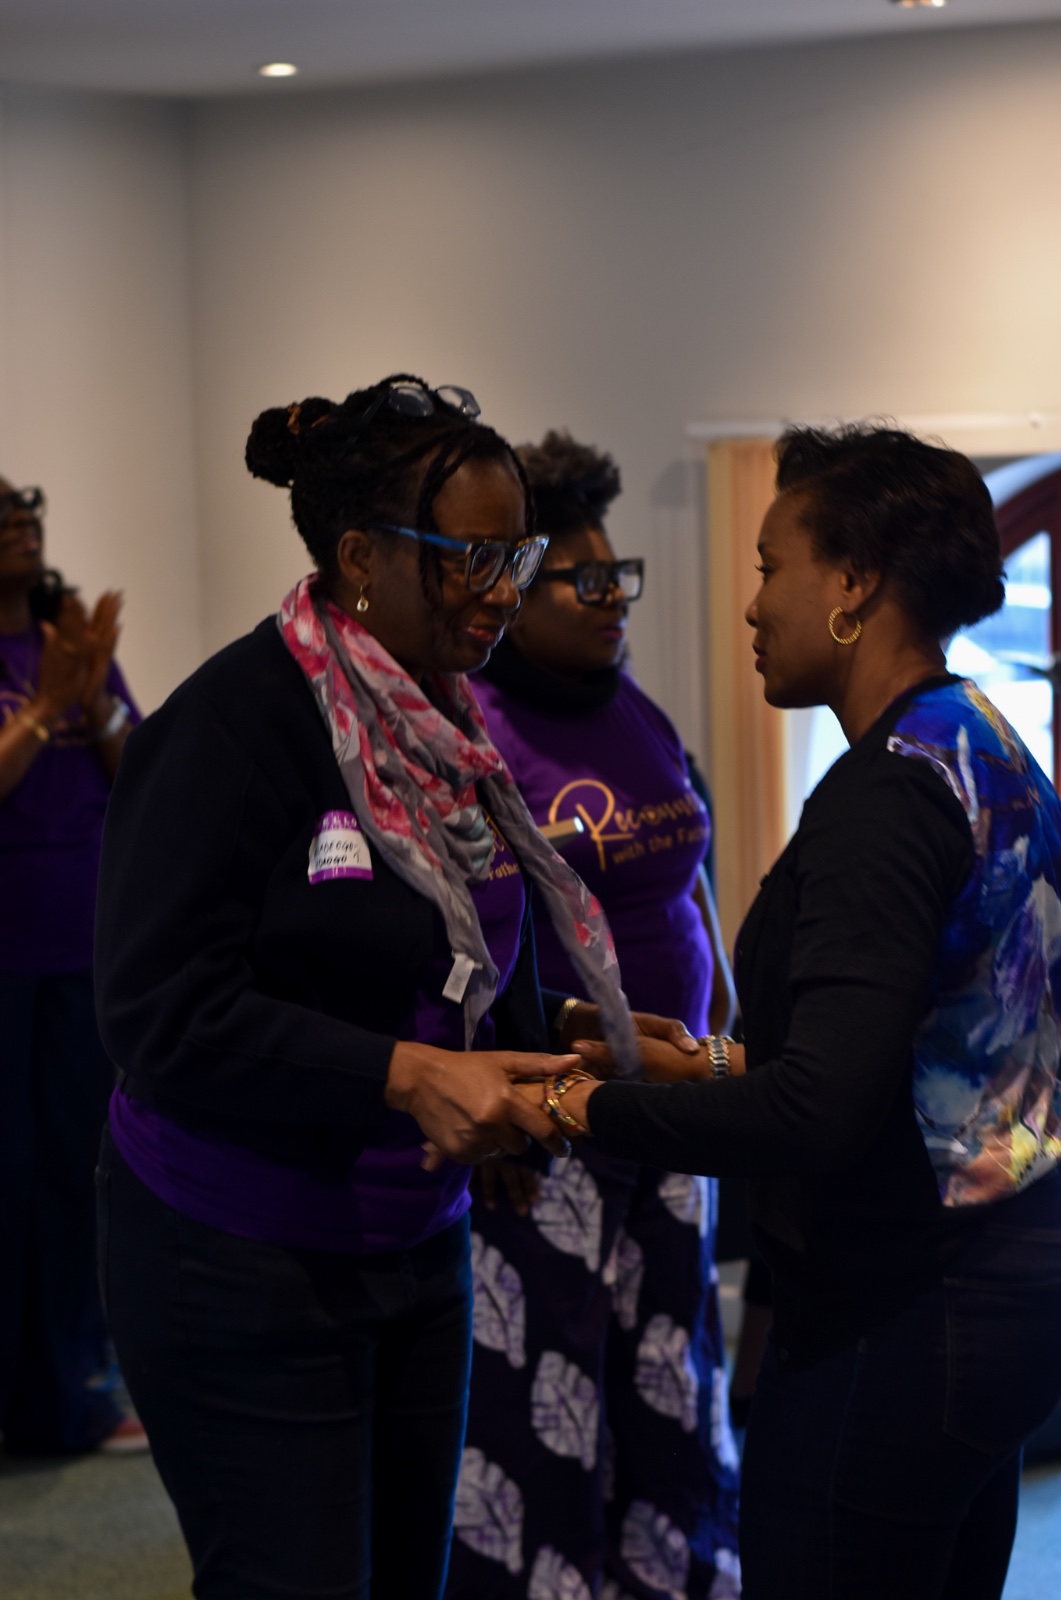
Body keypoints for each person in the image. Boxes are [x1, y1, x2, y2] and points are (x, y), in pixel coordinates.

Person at [92, 376, 689, 1600]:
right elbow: (161, 1016)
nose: (502, 592)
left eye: (514, 556)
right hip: (238, 1253)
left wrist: (548, 1030)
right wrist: (408, 1074)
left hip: (416, 1244)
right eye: (469, 558)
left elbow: (436, 950)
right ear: (361, 556)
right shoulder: (234, 725)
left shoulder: (443, 723)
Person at [507, 424, 1061, 1600]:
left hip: (907, 1309)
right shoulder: (976, 737)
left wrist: (575, 1104)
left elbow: (818, 1111)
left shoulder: (885, 796)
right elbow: (915, 1044)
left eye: (771, 567)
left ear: (852, 582)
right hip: (1006, 1284)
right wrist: (711, 1063)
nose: (753, 604)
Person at [447, 431, 741, 1600]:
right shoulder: (472, 733)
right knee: (550, 1392)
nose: (614, 597)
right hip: (553, 1119)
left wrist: (720, 1017)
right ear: (513, 595)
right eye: (585, 578)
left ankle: (671, 1576)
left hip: (672, 1109)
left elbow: (691, 882)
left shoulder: (639, 712)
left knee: (668, 1372)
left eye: (620, 574)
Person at [0, 477, 143, 1455]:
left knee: (72, 1174)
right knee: (7, 1178)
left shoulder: (71, 641)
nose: (23, 527)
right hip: (6, 966)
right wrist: (49, 704)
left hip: (82, 955)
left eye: (30, 516)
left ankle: (70, 1395)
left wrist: (91, 701)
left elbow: (136, 773)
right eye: (4, 518)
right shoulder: (41, 669)